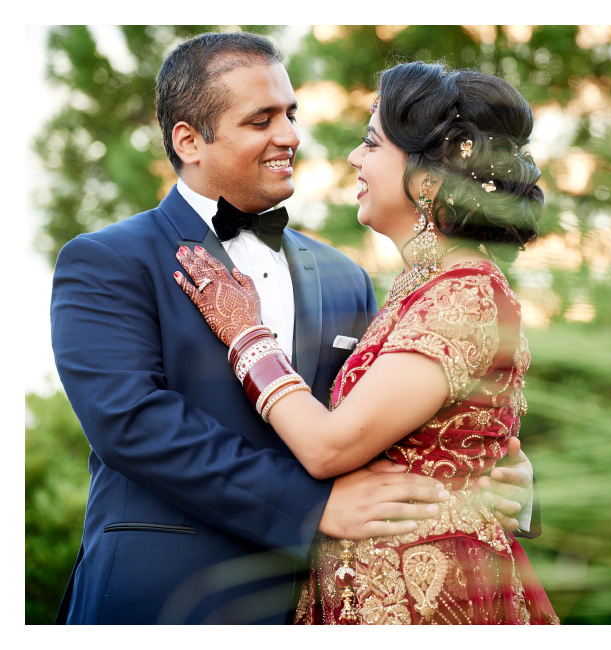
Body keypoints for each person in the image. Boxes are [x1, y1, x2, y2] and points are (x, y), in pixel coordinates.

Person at [50, 32, 536, 625]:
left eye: (291, 114)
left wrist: (494, 475)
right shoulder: (109, 260)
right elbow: (131, 424)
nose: (290, 136)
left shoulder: (346, 278)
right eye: (261, 120)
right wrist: (316, 505)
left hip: (331, 603)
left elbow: (398, 417)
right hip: (164, 598)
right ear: (189, 140)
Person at [173, 60, 558, 625]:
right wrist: (505, 474)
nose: (353, 157)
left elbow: (330, 446)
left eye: (371, 144)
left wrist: (246, 334)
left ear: (427, 179)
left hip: (432, 599)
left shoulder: (465, 297)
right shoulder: (417, 290)